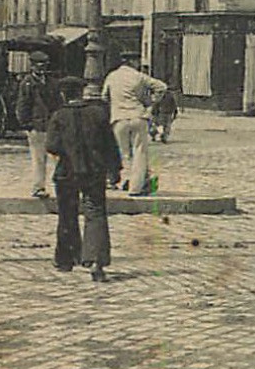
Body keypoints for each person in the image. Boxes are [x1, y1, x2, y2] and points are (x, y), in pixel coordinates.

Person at [44, 76, 122, 282]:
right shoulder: (98, 114)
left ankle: (66, 259)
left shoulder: (59, 116)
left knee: (67, 214)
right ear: (81, 93)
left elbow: (51, 146)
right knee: (95, 213)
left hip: (66, 172)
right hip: (94, 172)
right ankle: (96, 260)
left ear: (63, 94)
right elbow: (110, 146)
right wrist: (115, 170)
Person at [102, 51, 167, 197]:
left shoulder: (112, 76)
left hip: (119, 118)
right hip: (138, 116)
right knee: (140, 152)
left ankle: (126, 180)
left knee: (123, 153)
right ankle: (135, 187)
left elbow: (104, 97)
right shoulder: (139, 76)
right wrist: (150, 101)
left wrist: (115, 104)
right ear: (132, 62)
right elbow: (161, 86)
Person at [15, 52, 61, 199]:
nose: (41, 67)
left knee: (58, 156)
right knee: (38, 158)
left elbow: (58, 103)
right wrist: (26, 124)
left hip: (51, 125)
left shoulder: (52, 82)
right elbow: (22, 105)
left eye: (44, 64)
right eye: (38, 64)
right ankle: (38, 187)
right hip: (36, 125)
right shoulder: (27, 83)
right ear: (32, 65)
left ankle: (62, 186)